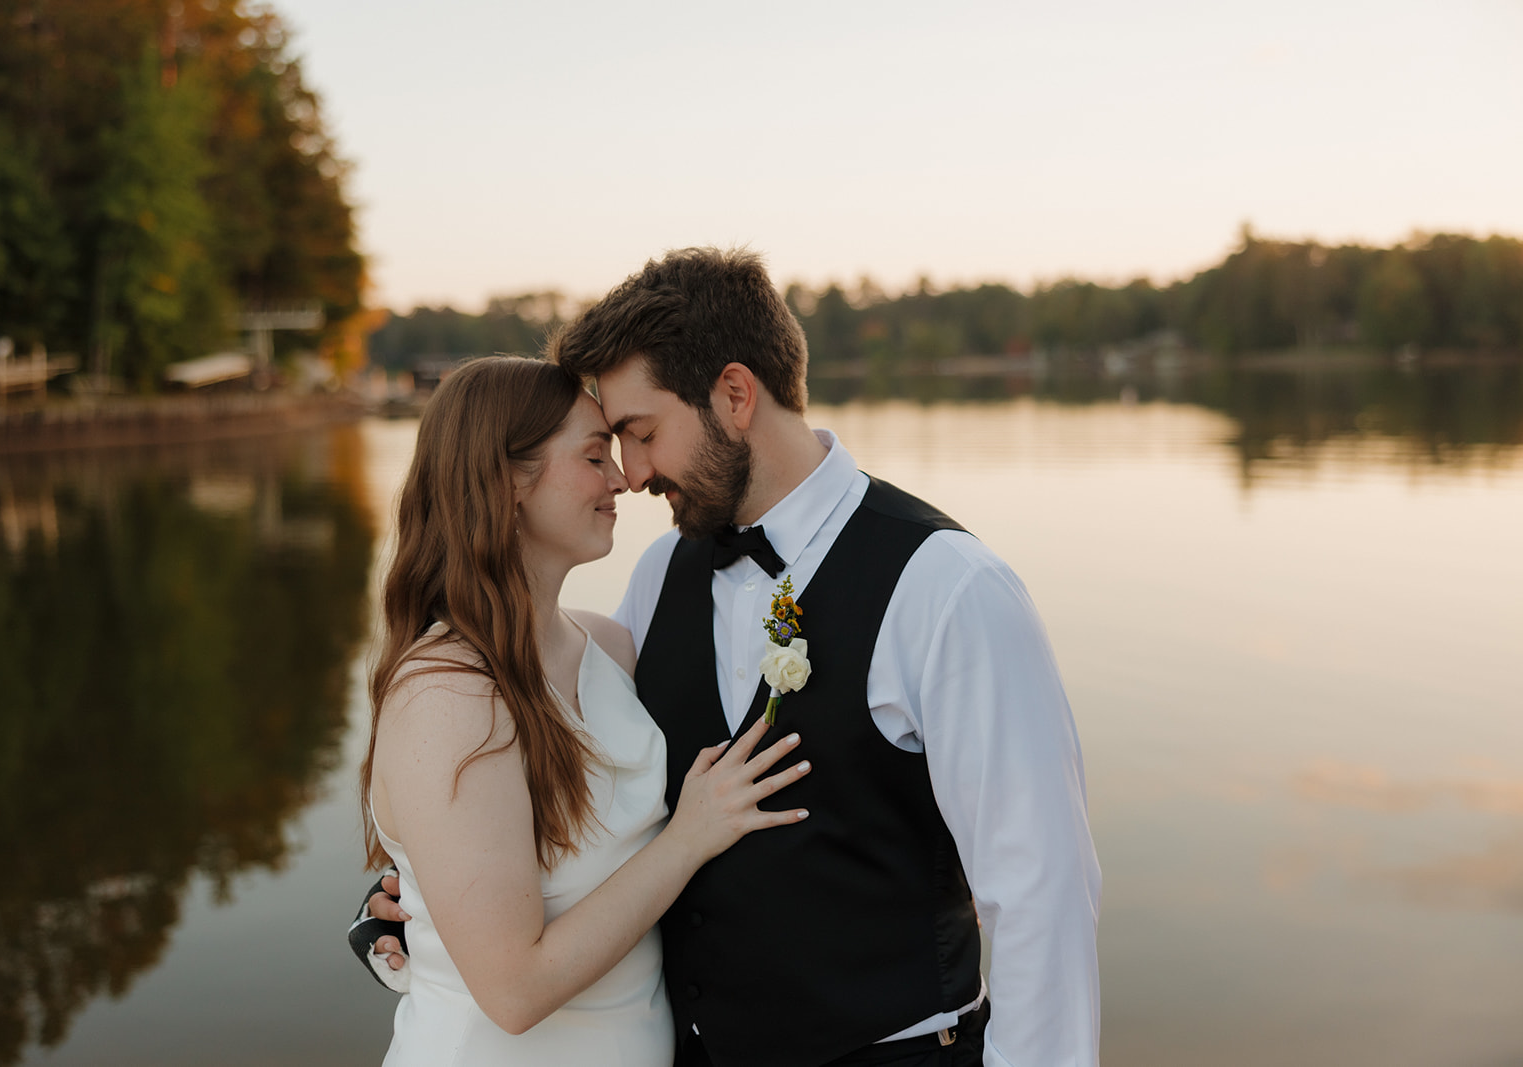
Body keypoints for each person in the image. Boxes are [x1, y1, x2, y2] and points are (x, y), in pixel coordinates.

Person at [357, 249, 1103, 1067]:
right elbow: (556, 786)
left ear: (735, 396)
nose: (633, 474)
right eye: (610, 446)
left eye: (641, 434)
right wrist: (422, 904)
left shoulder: (950, 589)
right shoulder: (656, 579)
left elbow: (1041, 895)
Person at [360, 355, 812, 1066]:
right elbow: (512, 990)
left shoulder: (611, 645)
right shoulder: (444, 694)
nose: (624, 478)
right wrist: (688, 836)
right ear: (509, 480)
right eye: (595, 455)